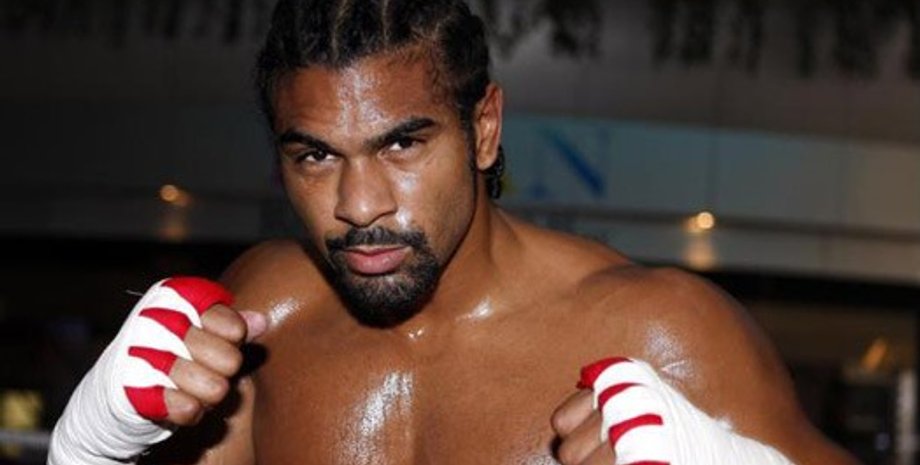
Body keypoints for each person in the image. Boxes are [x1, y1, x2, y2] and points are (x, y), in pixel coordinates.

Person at [49, 0, 860, 464]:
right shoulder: (267, 316)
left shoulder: (660, 331)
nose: (360, 204)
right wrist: (89, 446)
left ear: (484, 129)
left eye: (402, 144)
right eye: (316, 155)